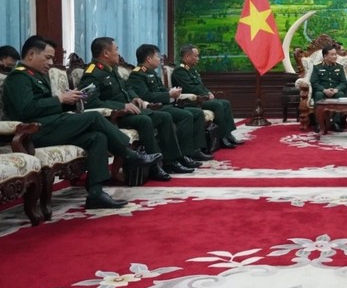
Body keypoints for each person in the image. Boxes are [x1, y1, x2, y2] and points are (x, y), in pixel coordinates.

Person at [2, 35, 162, 209]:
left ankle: (96, 193)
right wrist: (59, 99)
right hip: (33, 132)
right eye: (47, 57)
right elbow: (25, 110)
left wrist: (69, 100)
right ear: (31, 54)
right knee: (94, 117)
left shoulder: (37, 76)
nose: (50, 63)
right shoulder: (18, 78)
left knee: (97, 137)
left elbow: (45, 107)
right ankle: (129, 155)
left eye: (52, 58)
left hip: (52, 126)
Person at [79, 37, 195, 180]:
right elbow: (90, 102)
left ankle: (171, 161)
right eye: (116, 49)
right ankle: (154, 166)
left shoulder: (111, 69)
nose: (118, 53)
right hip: (113, 117)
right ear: (106, 53)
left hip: (129, 111)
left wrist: (134, 98)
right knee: (144, 120)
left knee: (164, 117)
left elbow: (126, 87)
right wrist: (122, 106)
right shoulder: (92, 73)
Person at [128, 44, 212, 163]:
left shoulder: (151, 72)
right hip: (154, 108)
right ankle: (183, 154)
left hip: (165, 105)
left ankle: (196, 150)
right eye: (157, 56)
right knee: (186, 116)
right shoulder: (137, 74)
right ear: (149, 59)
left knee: (197, 113)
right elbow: (145, 96)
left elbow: (161, 90)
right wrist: (169, 95)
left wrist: (172, 94)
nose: (159, 59)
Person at [172, 44, 239, 148]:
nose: (198, 58)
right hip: (191, 101)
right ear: (187, 57)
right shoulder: (180, 71)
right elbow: (190, 88)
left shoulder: (191, 70)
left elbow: (200, 86)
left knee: (226, 103)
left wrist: (209, 92)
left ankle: (228, 134)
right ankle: (222, 137)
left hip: (201, 98)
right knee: (217, 105)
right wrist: (206, 94)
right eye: (196, 56)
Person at [310, 44, 347, 132]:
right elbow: (314, 82)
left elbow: (343, 83)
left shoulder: (339, 67)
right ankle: (319, 123)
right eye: (332, 54)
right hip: (322, 91)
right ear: (325, 56)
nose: (335, 56)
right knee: (318, 94)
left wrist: (336, 89)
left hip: (335, 91)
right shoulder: (317, 67)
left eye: (335, 54)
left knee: (341, 94)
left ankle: (336, 123)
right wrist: (324, 90)